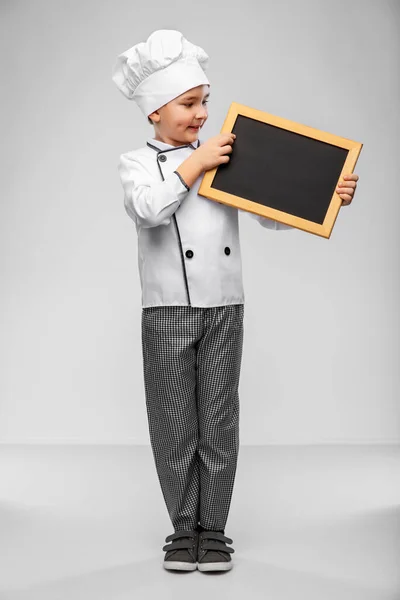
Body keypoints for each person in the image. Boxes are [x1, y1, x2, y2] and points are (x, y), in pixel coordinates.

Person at [111, 29, 359, 573]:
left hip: (225, 307)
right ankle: (183, 530)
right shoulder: (137, 164)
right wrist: (194, 166)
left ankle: (215, 530)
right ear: (154, 112)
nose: (202, 113)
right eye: (189, 103)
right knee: (174, 423)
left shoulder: (221, 155)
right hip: (166, 310)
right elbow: (148, 209)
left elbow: (272, 208)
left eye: (205, 101)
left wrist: (326, 191)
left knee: (219, 421)